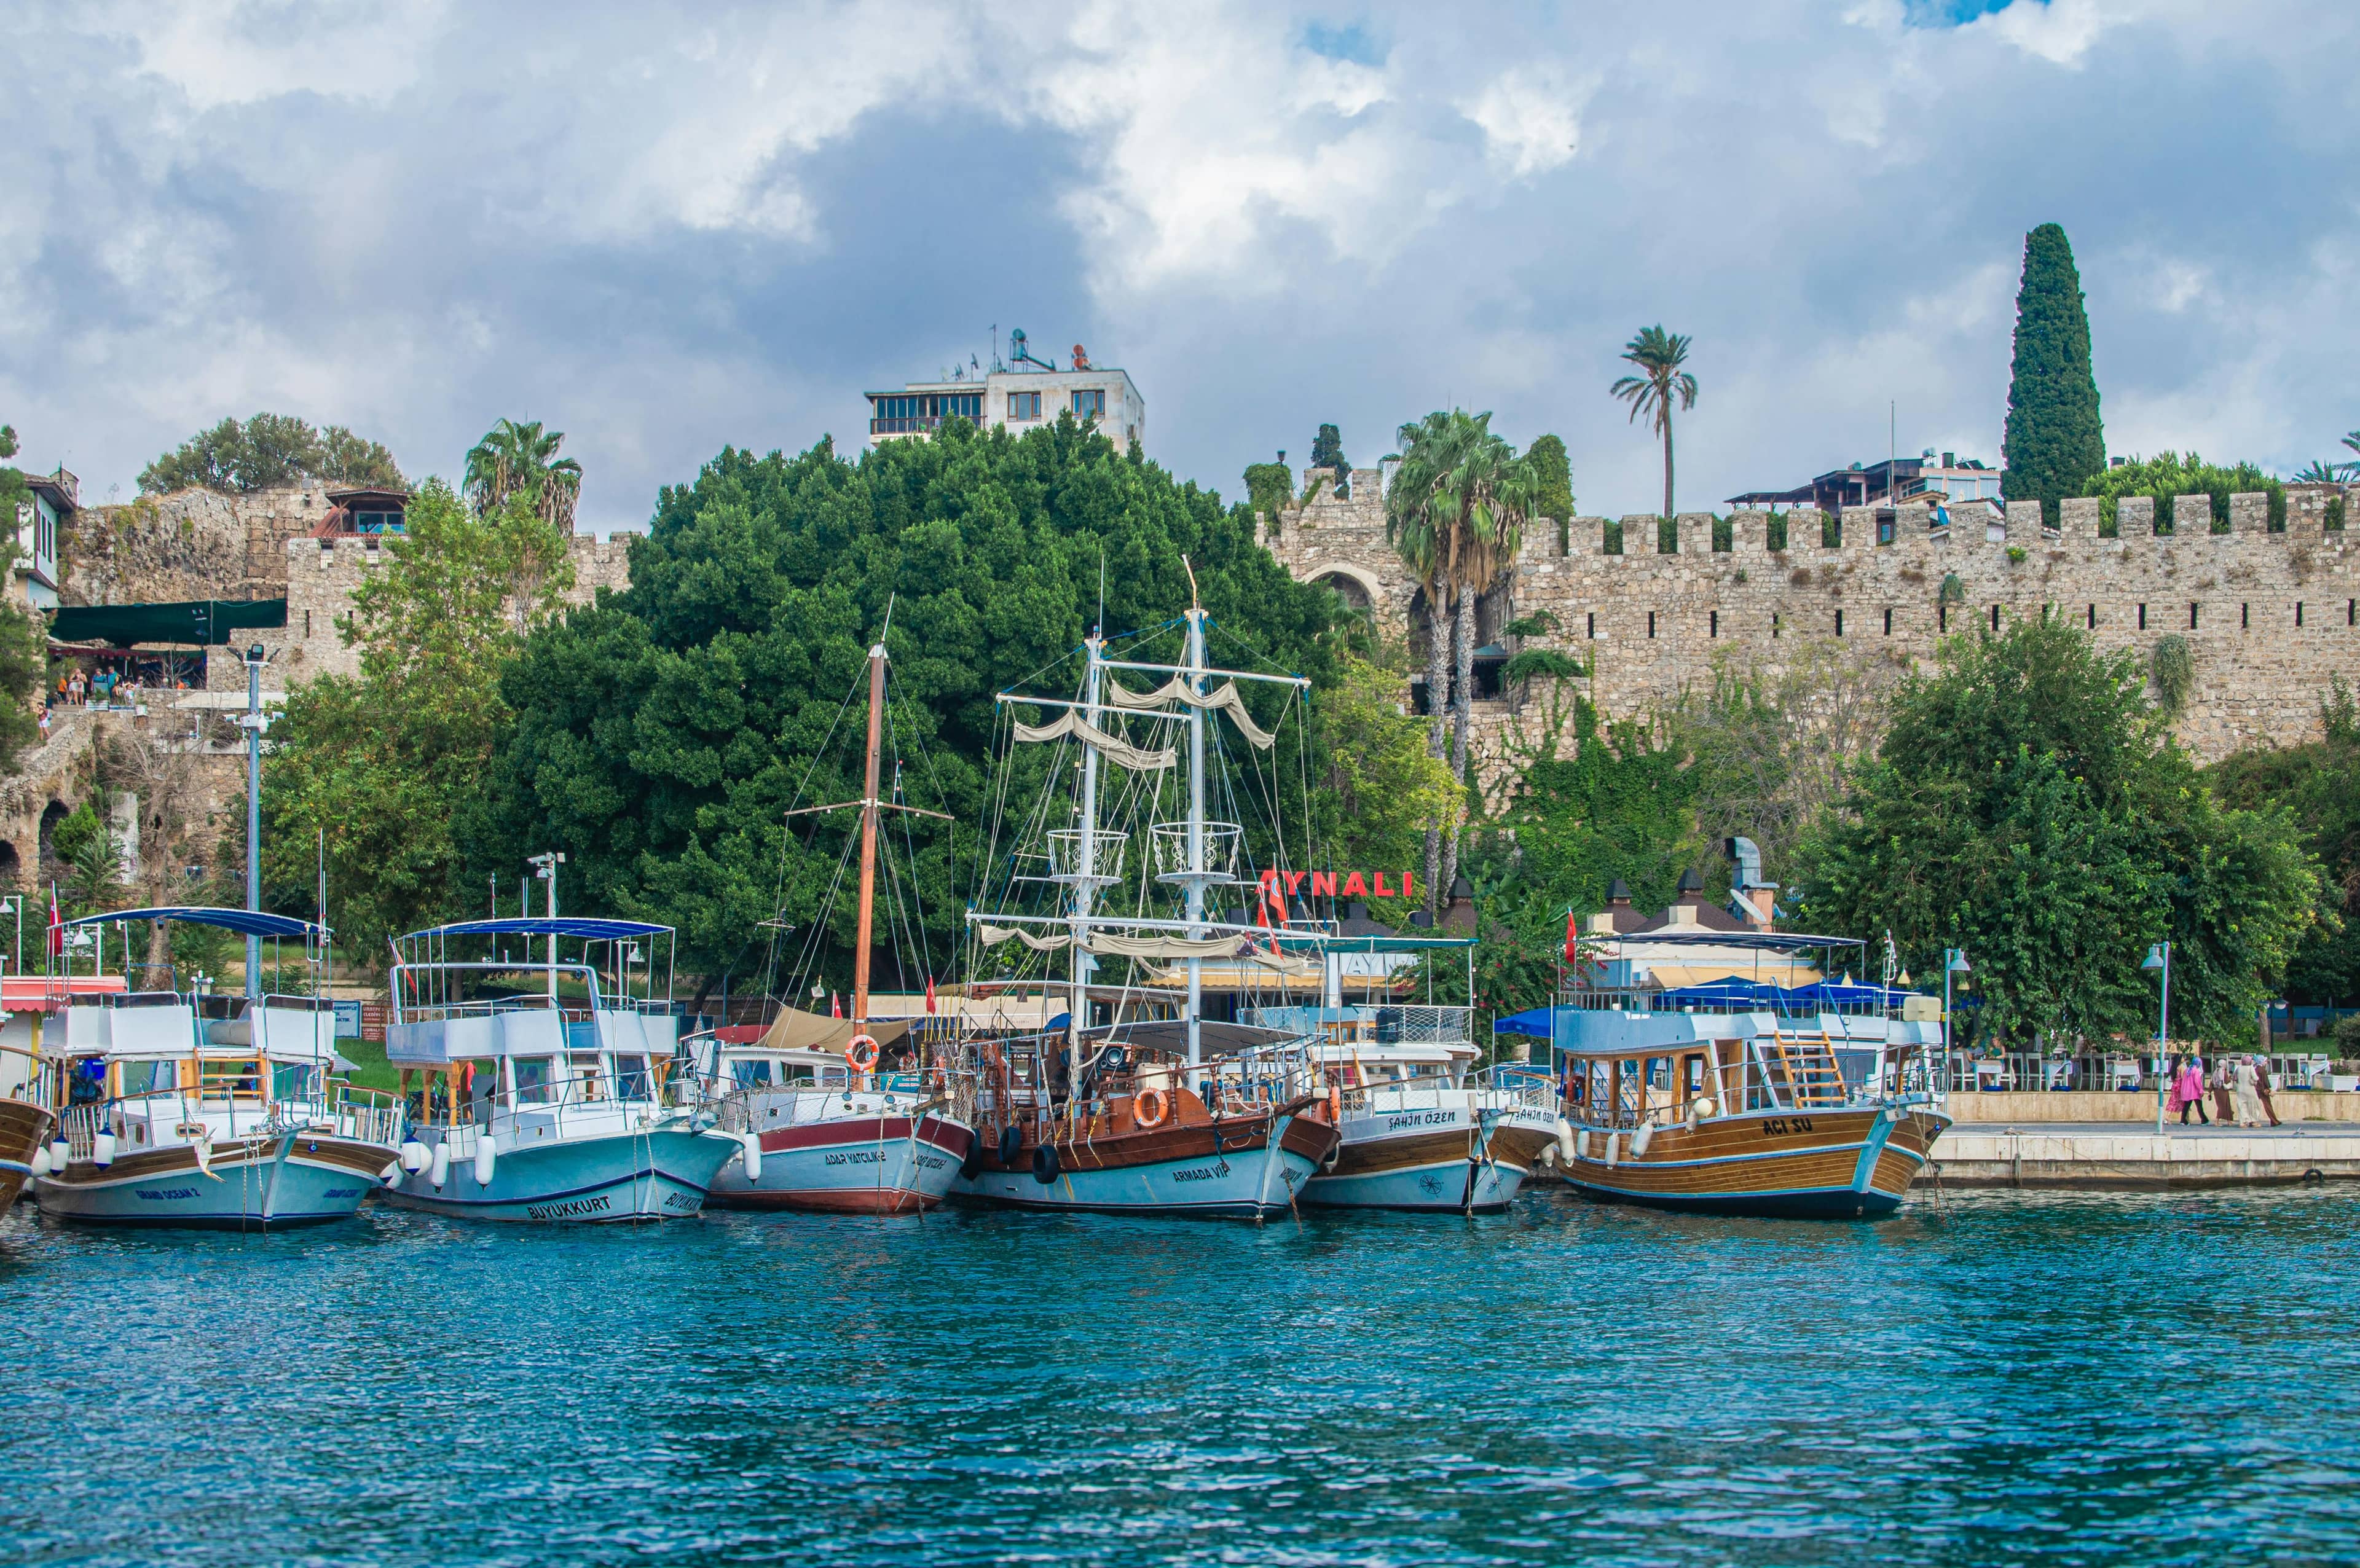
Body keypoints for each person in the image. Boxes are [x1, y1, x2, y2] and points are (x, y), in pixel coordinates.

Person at [2173, 1053, 2209, 1125]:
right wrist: (2201, 1090)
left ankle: (2183, 1120)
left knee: (2186, 1107)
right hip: (2194, 1092)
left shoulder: (2187, 1070)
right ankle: (2204, 1120)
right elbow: (2197, 1082)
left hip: (2187, 1091)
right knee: (2199, 1107)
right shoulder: (2196, 1071)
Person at [2251, 1054, 2283, 1127]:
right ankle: (2274, 1121)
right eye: (2265, 1061)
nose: (2266, 1063)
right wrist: (2269, 1089)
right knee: (2268, 1106)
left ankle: (2252, 1121)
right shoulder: (2262, 1070)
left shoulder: (2255, 1069)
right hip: (2263, 1090)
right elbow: (2265, 1081)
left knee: (2254, 1106)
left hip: (2257, 1089)